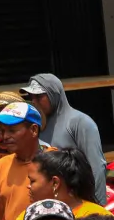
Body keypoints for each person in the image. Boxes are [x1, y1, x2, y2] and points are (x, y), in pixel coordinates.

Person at [20, 74, 105, 204]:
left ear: (54, 95)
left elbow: (96, 167)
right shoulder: (37, 127)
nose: (34, 102)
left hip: (77, 202)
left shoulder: (80, 123)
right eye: (31, 98)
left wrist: (98, 206)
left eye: (39, 97)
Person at [0, 99, 46, 220]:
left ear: (33, 130)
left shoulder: (55, 162)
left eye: (12, 130)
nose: (5, 137)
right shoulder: (1, 166)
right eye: (3, 131)